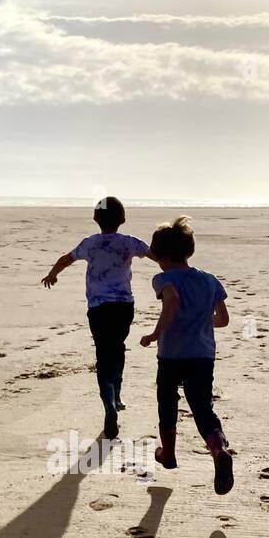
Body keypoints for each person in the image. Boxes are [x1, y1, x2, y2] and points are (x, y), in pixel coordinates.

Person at [41, 196, 152, 439]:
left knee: (103, 352)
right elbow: (157, 256)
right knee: (118, 346)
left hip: (98, 308)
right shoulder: (130, 242)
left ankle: (108, 404)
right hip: (124, 306)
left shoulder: (89, 244)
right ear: (123, 219)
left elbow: (65, 259)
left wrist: (52, 274)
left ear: (94, 219)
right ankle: (119, 391)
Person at [140, 216, 234, 495]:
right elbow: (223, 319)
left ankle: (168, 455)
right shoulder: (209, 280)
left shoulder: (163, 279)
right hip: (202, 355)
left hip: (171, 354)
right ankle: (219, 451)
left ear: (158, 256)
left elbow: (171, 301)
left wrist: (156, 333)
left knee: (167, 403)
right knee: (202, 407)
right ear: (189, 251)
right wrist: (202, 322)